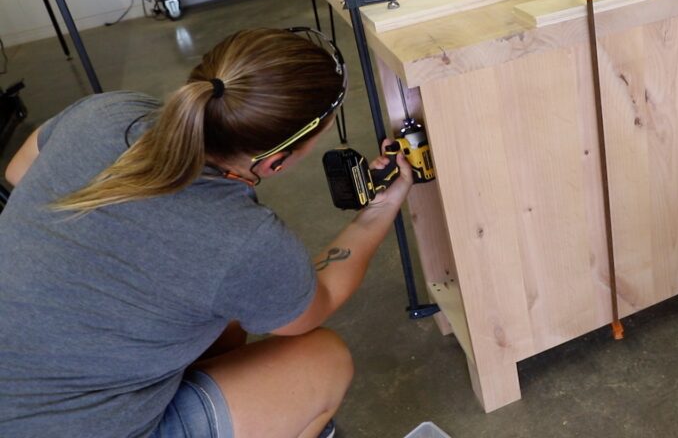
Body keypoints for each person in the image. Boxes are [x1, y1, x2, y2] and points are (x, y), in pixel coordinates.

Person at [0, 28, 412, 438]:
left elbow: (17, 171)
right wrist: (381, 208)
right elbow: (314, 305)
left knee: (227, 310)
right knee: (324, 361)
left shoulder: (105, 112)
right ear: (274, 163)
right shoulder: (243, 240)